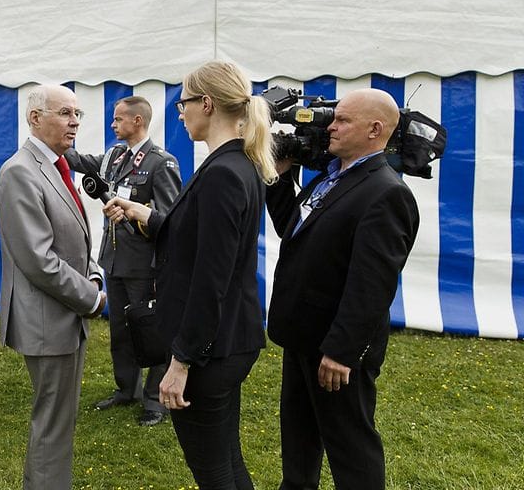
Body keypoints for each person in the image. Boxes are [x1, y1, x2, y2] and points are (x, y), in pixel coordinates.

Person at [104, 61, 277, 489]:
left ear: (207, 103)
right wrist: (148, 215)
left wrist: (181, 362)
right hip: (227, 339)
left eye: (183, 103)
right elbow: (201, 239)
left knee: (213, 470)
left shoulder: (223, 173)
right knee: (227, 460)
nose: (180, 113)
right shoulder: (237, 163)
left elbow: (210, 278)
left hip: (210, 349)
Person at [266, 88, 419, 490]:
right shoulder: (330, 177)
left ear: (375, 130)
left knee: (349, 444)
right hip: (302, 334)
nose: (330, 126)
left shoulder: (387, 192)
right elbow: (293, 229)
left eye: (342, 120)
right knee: (299, 436)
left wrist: (341, 351)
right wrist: (279, 175)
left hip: (334, 347)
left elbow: (372, 285)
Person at [0, 84, 107, 490]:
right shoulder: (20, 172)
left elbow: (72, 239)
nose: (74, 122)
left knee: (58, 420)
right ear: (35, 118)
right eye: (65, 113)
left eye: (77, 114)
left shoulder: (55, 165)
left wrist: (93, 273)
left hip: (63, 314)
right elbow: (39, 260)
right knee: (53, 424)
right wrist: (91, 298)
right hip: (48, 319)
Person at [65, 95, 181, 426]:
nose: (113, 124)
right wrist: (58, 136)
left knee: (150, 330)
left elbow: (169, 220)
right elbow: (80, 161)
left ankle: (155, 400)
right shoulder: (115, 156)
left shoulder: (161, 163)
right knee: (121, 331)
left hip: (145, 264)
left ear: (137, 121)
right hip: (114, 260)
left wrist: (136, 216)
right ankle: (127, 389)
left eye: (118, 119)